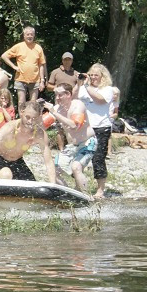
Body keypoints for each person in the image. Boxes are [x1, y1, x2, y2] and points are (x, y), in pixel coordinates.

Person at [0, 101, 57, 184]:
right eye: (28, 117)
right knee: (6, 174)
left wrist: (53, 183)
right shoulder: (10, 127)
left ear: (38, 117)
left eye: (34, 119)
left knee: (31, 186)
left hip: (16, 161)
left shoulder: (39, 134)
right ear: (22, 112)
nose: (30, 121)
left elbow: (48, 160)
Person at [43, 84, 95, 191]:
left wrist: (54, 112)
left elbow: (74, 125)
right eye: (56, 95)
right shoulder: (57, 109)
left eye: (60, 95)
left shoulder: (78, 105)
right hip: (71, 146)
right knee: (54, 171)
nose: (57, 98)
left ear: (68, 94)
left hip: (87, 142)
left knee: (76, 167)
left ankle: (85, 196)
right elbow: (42, 125)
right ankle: (68, 194)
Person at [75, 63, 116, 198]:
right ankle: (79, 186)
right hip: (86, 128)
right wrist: (79, 83)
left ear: (102, 77)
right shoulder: (85, 87)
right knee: (80, 157)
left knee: (98, 158)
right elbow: (74, 97)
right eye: (91, 75)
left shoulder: (107, 89)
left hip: (102, 127)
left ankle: (100, 189)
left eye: (95, 75)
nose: (93, 78)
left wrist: (87, 86)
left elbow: (99, 100)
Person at [1, 26, 47, 106]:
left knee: (33, 103)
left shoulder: (38, 48)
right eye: (28, 34)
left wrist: (42, 81)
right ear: (24, 36)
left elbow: (41, 65)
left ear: (34, 35)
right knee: (21, 102)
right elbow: (4, 56)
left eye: (31, 34)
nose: (29, 36)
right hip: (20, 79)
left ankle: (32, 118)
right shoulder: (19, 46)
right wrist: (14, 67)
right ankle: (22, 118)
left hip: (35, 79)